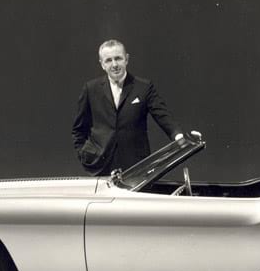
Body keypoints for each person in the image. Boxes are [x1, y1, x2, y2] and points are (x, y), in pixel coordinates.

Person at [72, 39, 195, 176]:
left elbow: (162, 115)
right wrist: (84, 155)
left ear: (126, 59)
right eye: (108, 60)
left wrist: (178, 135)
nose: (114, 65)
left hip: (137, 167)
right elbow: (78, 130)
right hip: (100, 166)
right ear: (102, 64)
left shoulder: (143, 87)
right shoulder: (91, 89)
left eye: (118, 58)